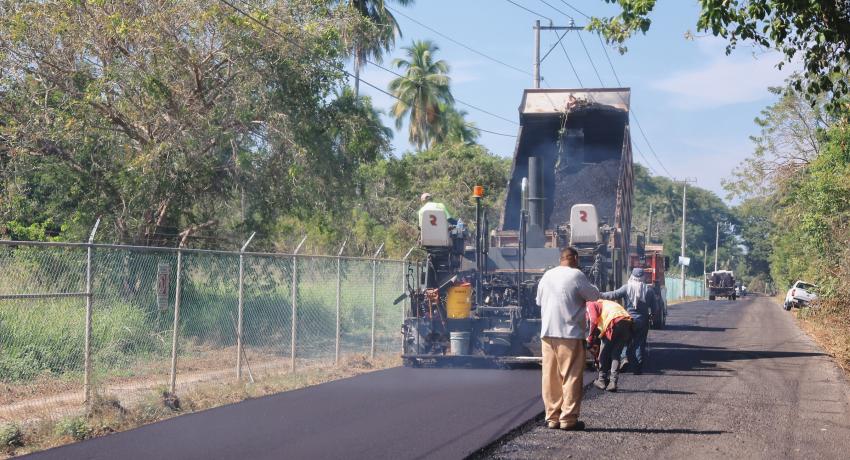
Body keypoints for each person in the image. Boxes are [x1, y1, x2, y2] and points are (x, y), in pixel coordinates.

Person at [536, 246, 600, 430]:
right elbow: (594, 295)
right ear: (576, 259)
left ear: (560, 259)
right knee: (571, 376)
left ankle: (552, 417)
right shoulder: (576, 275)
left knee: (550, 377)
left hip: (547, 333)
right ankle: (568, 419)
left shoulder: (547, 276)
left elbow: (539, 301)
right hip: (569, 334)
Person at [601, 267, 657, 375]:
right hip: (642, 321)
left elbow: (613, 294)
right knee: (639, 344)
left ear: (632, 276)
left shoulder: (626, 288)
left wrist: (599, 295)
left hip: (627, 320)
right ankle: (637, 368)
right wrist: (652, 316)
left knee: (624, 341)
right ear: (643, 277)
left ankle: (624, 358)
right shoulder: (649, 291)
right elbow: (655, 308)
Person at [586, 299, 633, 392]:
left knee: (603, 354)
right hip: (627, 323)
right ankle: (613, 383)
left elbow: (593, 320)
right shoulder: (606, 304)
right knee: (616, 354)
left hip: (613, 322)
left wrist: (590, 339)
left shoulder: (589, 304)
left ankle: (601, 380)